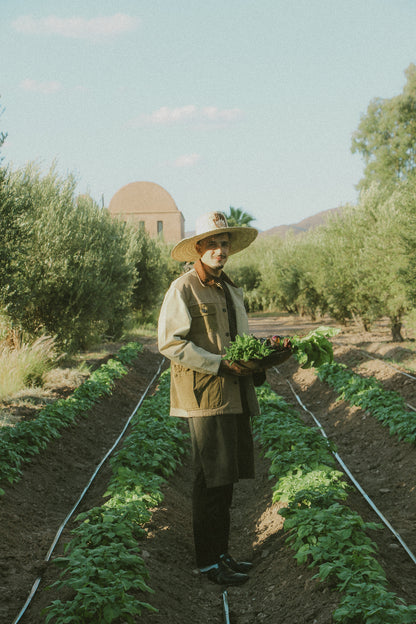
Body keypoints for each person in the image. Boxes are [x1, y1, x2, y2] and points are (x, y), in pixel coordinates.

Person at [157, 211, 265, 586]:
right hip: (205, 395)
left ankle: (221, 554)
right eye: (213, 244)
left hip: (235, 393)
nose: (220, 250)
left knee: (228, 479)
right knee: (210, 481)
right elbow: (170, 343)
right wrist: (219, 365)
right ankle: (207, 563)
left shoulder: (231, 289)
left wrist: (259, 361)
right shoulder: (183, 288)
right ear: (198, 248)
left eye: (225, 244)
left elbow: (240, 340)